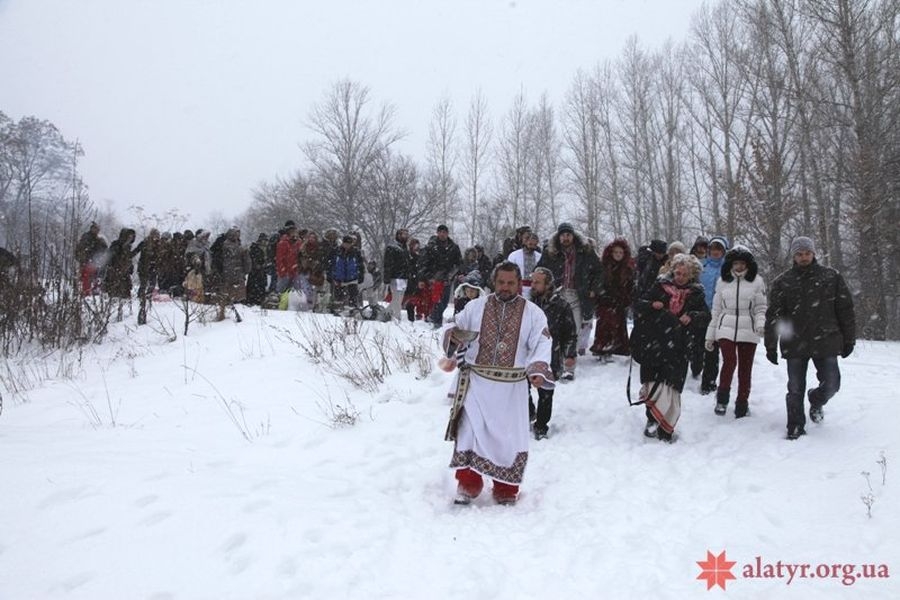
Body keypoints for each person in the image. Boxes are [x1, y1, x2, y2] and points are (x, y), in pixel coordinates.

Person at [441, 261, 554, 505]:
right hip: (477, 384)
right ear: (494, 282)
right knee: (469, 432)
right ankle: (468, 484)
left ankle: (505, 488)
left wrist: (537, 369)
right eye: (501, 282)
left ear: (519, 283)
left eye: (510, 283)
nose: (505, 287)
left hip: (511, 389)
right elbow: (452, 324)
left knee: (508, 438)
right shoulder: (475, 307)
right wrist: (455, 337)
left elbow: (542, 342)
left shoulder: (533, 313)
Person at [764, 236, 856, 440]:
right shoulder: (783, 281)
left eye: (807, 253)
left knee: (832, 383)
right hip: (794, 342)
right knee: (795, 387)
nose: (804, 257)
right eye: (799, 254)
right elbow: (774, 315)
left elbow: (845, 309)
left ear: (814, 253)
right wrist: (770, 344)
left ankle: (816, 400)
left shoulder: (831, 277)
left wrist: (849, 339)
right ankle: (795, 425)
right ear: (794, 256)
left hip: (825, 339)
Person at [632, 253, 709, 442]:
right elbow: (638, 305)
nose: (680, 277)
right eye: (677, 272)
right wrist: (652, 305)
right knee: (652, 382)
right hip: (655, 342)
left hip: (679, 347)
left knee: (672, 386)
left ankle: (666, 425)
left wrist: (691, 315)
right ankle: (651, 419)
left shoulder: (696, 293)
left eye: (684, 274)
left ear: (691, 275)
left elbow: (706, 316)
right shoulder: (659, 287)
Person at [705, 246, 768, 418]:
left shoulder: (757, 281)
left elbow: (761, 308)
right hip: (725, 327)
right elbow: (716, 310)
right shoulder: (723, 281)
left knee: (745, 369)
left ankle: (742, 403)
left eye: (742, 263)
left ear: (748, 264)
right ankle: (722, 399)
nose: (739, 267)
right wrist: (710, 336)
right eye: (736, 263)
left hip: (749, 328)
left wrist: (761, 324)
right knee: (729, 361)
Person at [535, 222, 601, 379]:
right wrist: (542, 286)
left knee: (575, 330)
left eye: (568, 234)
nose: (566, 237)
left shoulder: (585, 251)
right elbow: (539, 271)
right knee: (553, 330)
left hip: (578, 294)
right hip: (556, 294)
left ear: (573, 236)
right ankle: (554, 362)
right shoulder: (550, 252)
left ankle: (569, 366)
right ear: (559, 237)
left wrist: (593, 289)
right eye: (563, 235)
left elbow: (599, 271)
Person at [528, 267, 577, 439]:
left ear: (548, 284)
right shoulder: (527, 304)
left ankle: (541, 425)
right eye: (532, 281)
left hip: (551, 353)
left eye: (537, 282)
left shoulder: (561, 306)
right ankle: (528, 411)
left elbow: (570, 332)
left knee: (545, 392)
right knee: (520, 387)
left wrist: (570, 354)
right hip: (527, 353)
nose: (532, 285)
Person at [590, 237, 634, 360]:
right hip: (605, 300)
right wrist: (601, 294)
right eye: (616, 252)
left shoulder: (627, 269)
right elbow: (598, 282)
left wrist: (627, 299)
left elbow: (630, 285)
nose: (618, 255)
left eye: (621, 252)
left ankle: (618, 347)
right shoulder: (604, 267)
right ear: (611, 253)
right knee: (605, 323)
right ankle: (602, 346)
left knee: (618, 324)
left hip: (619, 301)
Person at [696, 236, 729, 394]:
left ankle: (708, 383)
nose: (716, 252)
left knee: (712, 349)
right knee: (698, 346)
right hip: (701, 311)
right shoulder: (701, 266)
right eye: (713, 249)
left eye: (719, 249)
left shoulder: (728, 268)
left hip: (721, 314)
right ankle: (695, 367)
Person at [418, 224, 462, 328]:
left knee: (445, 301)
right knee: (437, 300)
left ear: (447, 234)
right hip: (434, 279)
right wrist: (425, 277)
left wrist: (452, 274)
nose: (442, 234)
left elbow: (459, 263)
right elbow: (423, 263)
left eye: (444, 232)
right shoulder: (431, 247)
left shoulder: (454, 247)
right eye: (440, 232)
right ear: (437, 233)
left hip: (447, 278)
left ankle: (434, 317)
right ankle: (435, 321)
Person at [328, 234, 364, 312]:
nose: (347, 245)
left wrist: (361, 275)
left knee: (353, 295)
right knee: (338, 295)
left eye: (349, 244)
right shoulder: (336, 251)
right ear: (343, 243)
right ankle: (337, 308)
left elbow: (361, 265)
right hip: (339, 277)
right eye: (346, 243)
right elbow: (331, 264)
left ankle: (352, 309)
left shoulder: (356, 252)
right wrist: (330, 275)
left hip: (352, 277)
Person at [383, 228, 413, 320]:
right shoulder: (392, 247)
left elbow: (408, 263)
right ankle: (396, 316)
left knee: (399, 299)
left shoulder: (405, 248)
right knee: (396, 298)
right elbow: (388, 263)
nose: (406, 236)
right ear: (398, 235)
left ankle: (387, 314)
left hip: (404, 277)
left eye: (407, 234)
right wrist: (387, 278)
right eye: (404, 234)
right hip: (395, 277)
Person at [134, 228, 162, 325]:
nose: (156, 237)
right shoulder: (145, 243)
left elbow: (161, 255)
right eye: (155, 235)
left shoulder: (159, 244)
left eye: (157, 235)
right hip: (144, 267)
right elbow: (136, 251)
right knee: (143, 284)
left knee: (152, 284)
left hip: (153, 268)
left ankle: (148, 295)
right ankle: (141, 296)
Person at [75, 221, 108, 295]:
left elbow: (104, 250)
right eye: (95, 229)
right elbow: (80, 250)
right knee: (86, 280)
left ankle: (92, 293)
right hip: (87, 262)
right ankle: (86, 293)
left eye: (97, 229)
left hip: (95, 263)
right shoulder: (86, 237)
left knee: (95, 279)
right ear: (92, 229)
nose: (96, 230)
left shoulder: (99, 239)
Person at [507, 231, 542, 300]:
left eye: (534, 244)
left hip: (534, 289)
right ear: (525, 242)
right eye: (530, 243)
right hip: (519, 288)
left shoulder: (540, 257)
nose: (532, 246)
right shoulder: (514, 255)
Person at [246, 233, 270, 306]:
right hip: (255, 271)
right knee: (254, 285)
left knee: (261, 286)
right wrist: (257, 265)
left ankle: (259, 299)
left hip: (262, 271)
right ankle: (252, 300)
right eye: (264, 240)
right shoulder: (255, 248)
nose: (265, 242)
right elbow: (252, 258)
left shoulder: (265, 249)